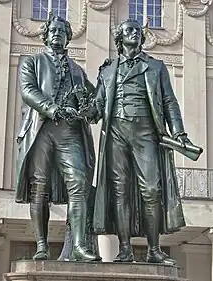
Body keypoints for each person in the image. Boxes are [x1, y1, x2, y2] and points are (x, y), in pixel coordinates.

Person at [93, 19, 193, 264]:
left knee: (151, 190)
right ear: (119, 38)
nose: (135, 33)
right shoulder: (107, 70)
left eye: (138, 31)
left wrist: (178, 132)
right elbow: (96, 106)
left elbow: (169, 102)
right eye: (129, 30)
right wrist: (79, 109)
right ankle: (125, 249)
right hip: (116, 132)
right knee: (120, 192)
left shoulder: (156, 67)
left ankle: (154, 250)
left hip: (146, 132)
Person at [15, 13, 99, 262]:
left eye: (62, 32)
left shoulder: (78, 71)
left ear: (68, 37)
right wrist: (53, 108)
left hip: (70, 133)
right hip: (41, 129)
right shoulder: (33, 62)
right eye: (53, 31)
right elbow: (29, 91)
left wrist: (92, 109)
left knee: (79, 184)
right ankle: (41, 245)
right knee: (39, 188)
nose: (57, 35)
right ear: (45, 35)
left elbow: (93, 99)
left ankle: (79, 246)